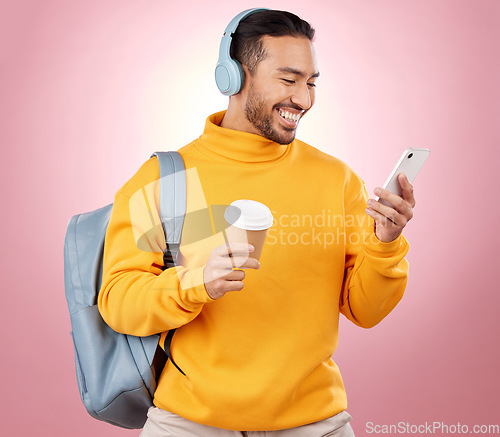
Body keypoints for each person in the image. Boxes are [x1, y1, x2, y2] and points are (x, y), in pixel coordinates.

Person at [98, 8, 415, 436]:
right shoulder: (162, 180)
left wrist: (386, 243)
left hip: (315, 425)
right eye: (288, 80)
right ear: (233, 75)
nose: (303, 99)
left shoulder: (336, 179)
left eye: (311, 82)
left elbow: (366, 310)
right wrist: (196, 285)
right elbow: (119, 302)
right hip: (188, 424)